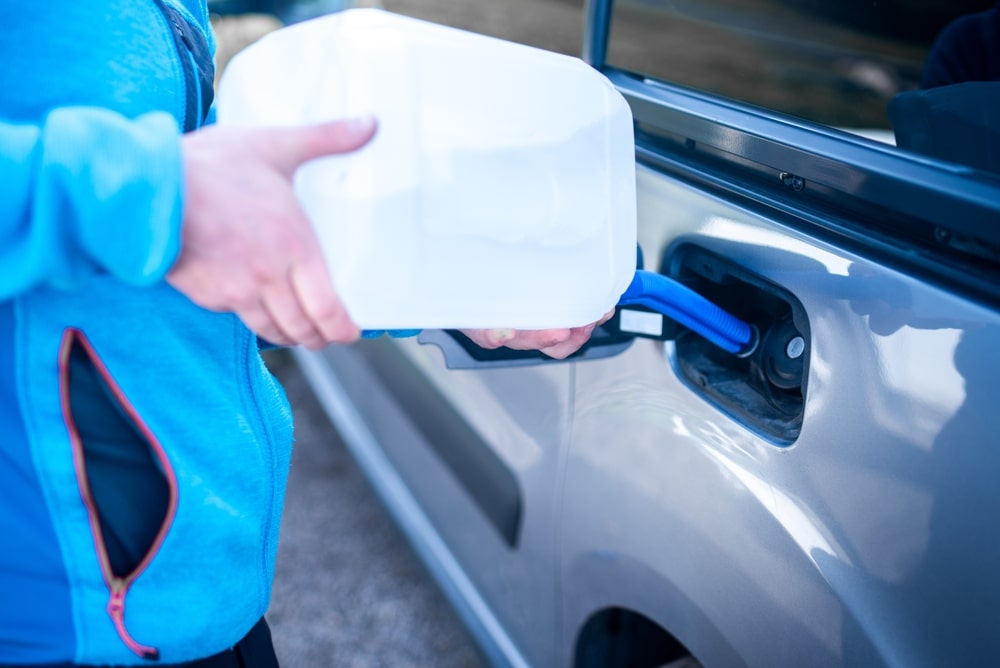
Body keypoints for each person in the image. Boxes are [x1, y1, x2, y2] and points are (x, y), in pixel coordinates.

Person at [0, 1, 602, 666]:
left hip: (198, 606)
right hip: (56, 625)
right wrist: (156, 195)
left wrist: (444, 285)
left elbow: (185, 275)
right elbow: (155, 208)